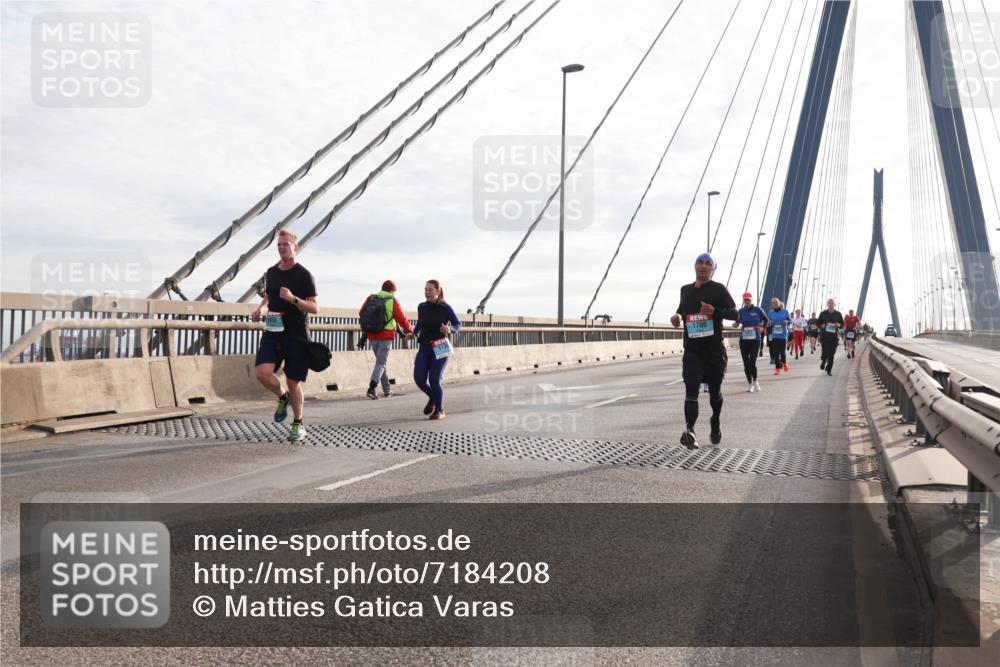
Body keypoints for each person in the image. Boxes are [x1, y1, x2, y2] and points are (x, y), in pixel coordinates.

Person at [251, 230, 318, 442]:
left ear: (295, 247)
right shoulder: (271, 272)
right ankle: (282, 397)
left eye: (285, 244)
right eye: (279, 245)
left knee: (292, 381)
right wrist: (259, 311)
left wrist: (293, 299)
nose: (281, 248)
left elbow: (314, 307)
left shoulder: (304, 275)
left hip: (296, 333)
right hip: (273, 330)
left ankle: (298, 424)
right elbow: (267, 300)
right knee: (262, 373)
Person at [670, 253, 739, 449]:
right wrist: (676, 317)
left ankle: (715, 420)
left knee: (714, 393)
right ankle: (690, 431)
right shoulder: (685, 290)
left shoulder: (719, 289)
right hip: (692, 351)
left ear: (712, 269)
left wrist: (715, 312)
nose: (703, 266)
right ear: (694, 266)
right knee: (691, 391)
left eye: (708, 264)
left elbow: (735, 313)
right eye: (699, 262)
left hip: (714, 352)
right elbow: (682, 311)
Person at [413, 279, 462, 420]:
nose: (427, 292)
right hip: (424, 346)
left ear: (438, 291)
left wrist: (450, 329)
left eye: (430, 289)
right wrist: (414, 333)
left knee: (434, 379)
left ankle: (440, 410)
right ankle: (433, 398)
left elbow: (458, 324)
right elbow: (420, 323)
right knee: (419, 379)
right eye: (425, 289)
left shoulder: (446, 308)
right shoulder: (421, 307)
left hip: (440, 345)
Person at [359, 280, 414, 399]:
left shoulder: (371, 298)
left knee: (381, 362)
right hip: (386, 336)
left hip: (372, 335)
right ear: (392, 291)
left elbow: (361, 312)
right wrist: (410, 330)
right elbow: (401, 318)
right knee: (381, 362)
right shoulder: (391, 300)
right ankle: (372, 388)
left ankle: (387, 390)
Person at [733, 292, 768, 393]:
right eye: (745, 300)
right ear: (743, 300)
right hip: (744, 340)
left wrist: (762, 327)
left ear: (751, 300)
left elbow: (766, 319)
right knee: (746, 364)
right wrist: (735, 324)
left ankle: (755, 380)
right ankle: (750, 384)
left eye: (748, 300)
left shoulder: (758, 310)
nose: (747, 301)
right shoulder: (741, 311)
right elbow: (737, 321)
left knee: (752, 362)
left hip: (755, 339)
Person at [817, 298, 845, 376]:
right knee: (825, 352)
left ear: (834, 305)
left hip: (833, 337)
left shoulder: (838, 314)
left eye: (832, 303)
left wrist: (839, 325)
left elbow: (842, 324)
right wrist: (821, 325)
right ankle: (823, 361)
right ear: (827, 304)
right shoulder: (823, 313)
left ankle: (829, 369)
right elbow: (818, 323)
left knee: (831, 355)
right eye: (829, 303)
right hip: (825, 336)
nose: (831, 304)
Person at [766, 297, 791, 375]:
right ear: (772, 305)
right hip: (775, 335)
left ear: (779, 303)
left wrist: (787, 321)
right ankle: (777, 369)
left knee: (782, 352)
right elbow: (768, 323)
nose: (775, 304)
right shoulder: (771, 313)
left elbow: (789, 320)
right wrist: (770, 323)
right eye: (773, 303)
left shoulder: (785, 311)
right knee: (776, 353)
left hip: (783, 335)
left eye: (776, 302)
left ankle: (784, 363)